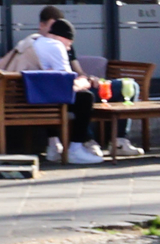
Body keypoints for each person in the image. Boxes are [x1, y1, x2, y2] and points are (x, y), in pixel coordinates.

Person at [23, 16, 104, 164]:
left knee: (56, 95)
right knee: (86, 98)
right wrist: (84, 82)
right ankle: (76, 149)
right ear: (63, 37)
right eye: (69, 43)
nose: (69, 48)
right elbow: (65, 84)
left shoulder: (36, 42)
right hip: (40, 99)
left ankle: (53, 147)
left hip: (29, 96)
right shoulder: (56, 46)